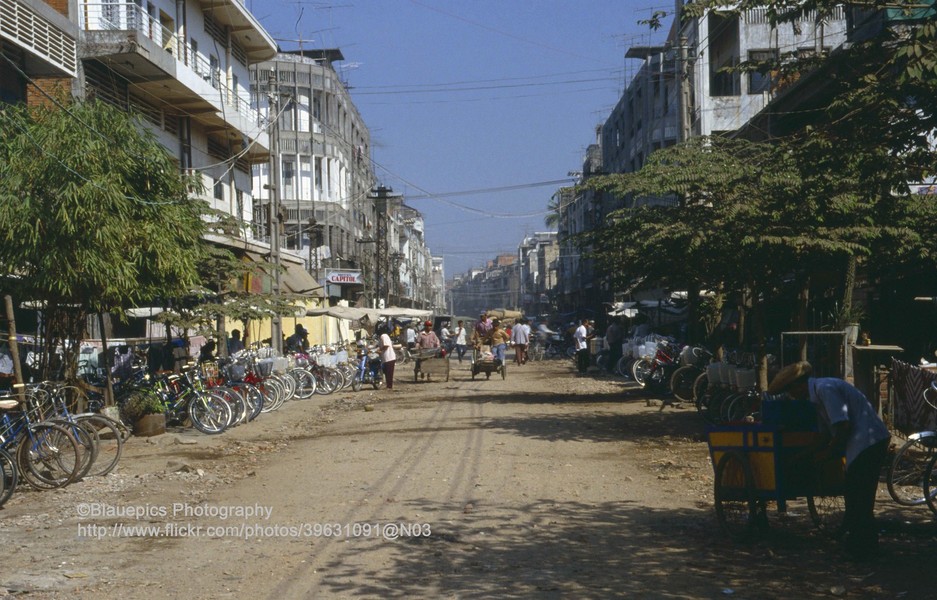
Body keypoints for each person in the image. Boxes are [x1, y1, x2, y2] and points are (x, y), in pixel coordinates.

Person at [767, 361, 890, 560]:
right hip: (864, 443)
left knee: (860, 496)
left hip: (869, 442)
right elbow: (824, 436)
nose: (792, 396)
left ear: (798, 385)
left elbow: (842, 428)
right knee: (857, 495)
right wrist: (803, 456)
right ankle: (861, 545)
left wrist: (828, 455)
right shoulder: (817, 397)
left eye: (790, 391)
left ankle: (864, 549)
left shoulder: (826, 389)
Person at [378, 324, 397, 391]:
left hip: (389, 357)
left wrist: (380, 350)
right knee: (386, 372)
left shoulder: (384, 336)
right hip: (386, 358)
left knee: (389, 373)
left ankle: (389, 386)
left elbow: (386, 345)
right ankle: (388, 385)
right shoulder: (383, 336)